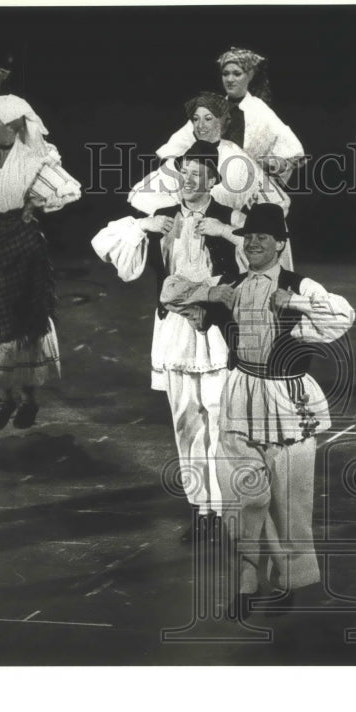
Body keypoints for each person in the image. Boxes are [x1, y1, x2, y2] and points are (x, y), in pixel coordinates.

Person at [160, 204, 355, 618]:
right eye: (248, 237)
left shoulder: (298, 283)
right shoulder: (230, 283)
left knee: (289, 503)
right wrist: (210, 293)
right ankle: (248, 579)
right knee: (246, 496)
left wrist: (297, 302)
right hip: (240, 394)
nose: (253, 243)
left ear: (281, 245)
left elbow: (343, 316)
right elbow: (169, 292)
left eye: (264, 238)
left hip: (287, 399)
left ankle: (286, 581)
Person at [92, 141, 245, 542]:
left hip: (215, 329)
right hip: (175, 329)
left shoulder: (230, 217)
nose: (189, 181)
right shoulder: (161, 216)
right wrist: (143, 226)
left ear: (213, 180)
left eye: (198, 174)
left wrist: (226, 231)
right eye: (185, 173)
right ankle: (202, 510)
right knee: (186, 420)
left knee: (220, 417)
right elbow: (104, 243)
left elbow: (267, 255)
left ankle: (223, 506)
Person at [0, 94, 81, 431]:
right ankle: (1, 398)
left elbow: (68, 190)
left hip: (23, 246)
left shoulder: (32, 160)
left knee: (25, 324)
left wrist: (32, 203)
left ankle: (27, 397)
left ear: (13, 126)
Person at [131, 92, 293, 265]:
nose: (200, 125)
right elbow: (139, 195)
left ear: (223, 123)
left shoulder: (238, 159)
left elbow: (279, 202)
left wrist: (241, 223)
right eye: (196, 119)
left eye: (208, 119)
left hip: (227, 245)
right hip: (187, 243)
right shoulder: (183, 157)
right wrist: (173, 215)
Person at [156, 47, 305, 185]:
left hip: (244, 181)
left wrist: (276, 163)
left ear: (249, 75)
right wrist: (172, 161)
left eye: (237, 73)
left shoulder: (259, 110)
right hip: (210, 179)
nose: (230, 79)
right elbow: (182, 139)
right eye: (225, 74)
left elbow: (291, 148)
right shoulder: (213, 106)